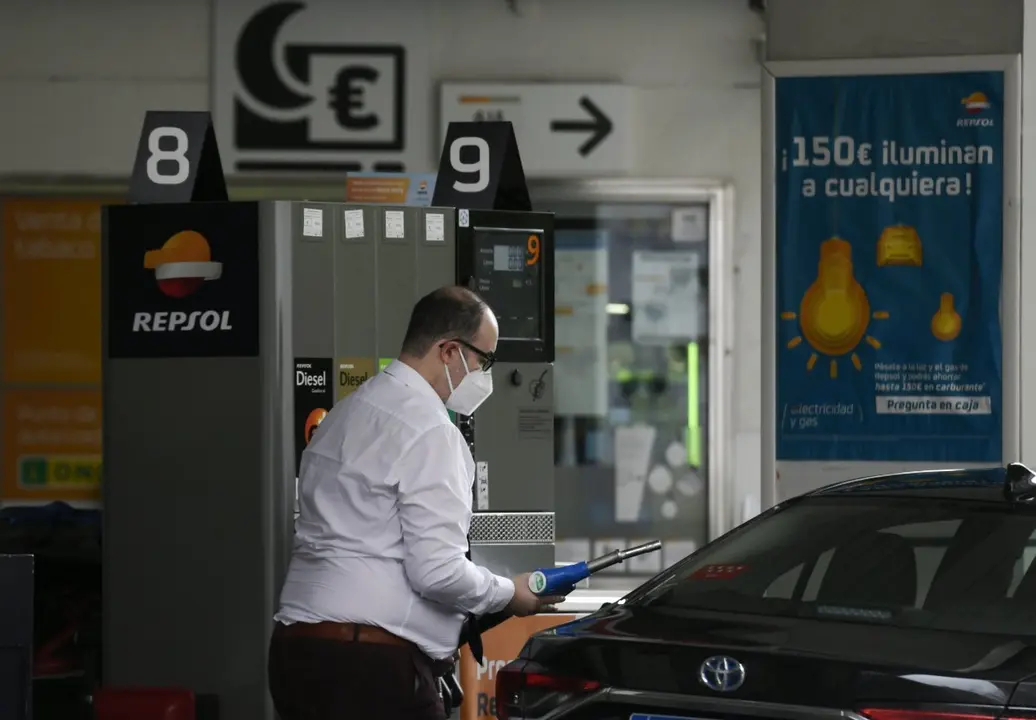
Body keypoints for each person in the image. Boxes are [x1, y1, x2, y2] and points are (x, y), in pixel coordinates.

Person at [268, 286, 566, 720]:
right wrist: (509, 594)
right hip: (369, 668)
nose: (483, 376)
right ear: (449, 351)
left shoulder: (345, 414)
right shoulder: (431, 431)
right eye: (483, 361)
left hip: (296, 653)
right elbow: (438, 572)